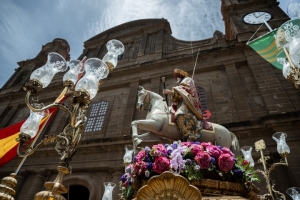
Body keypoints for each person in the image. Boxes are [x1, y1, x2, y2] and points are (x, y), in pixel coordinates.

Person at [163, 69, 203, 141]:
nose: (176, 80)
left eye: (177, 78)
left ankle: (190, 136)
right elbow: (177, 97)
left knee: (179, 114)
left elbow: (185, 90)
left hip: (188, 104)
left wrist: (170, 92)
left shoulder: (188, 80)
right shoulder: (180, 86)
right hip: (181, 104)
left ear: (181, 76)